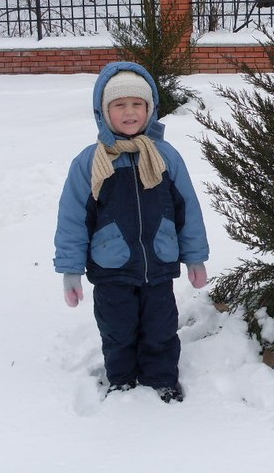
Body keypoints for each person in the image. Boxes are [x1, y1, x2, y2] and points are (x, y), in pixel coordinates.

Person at [53, 61, 209, 402]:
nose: (129, 112)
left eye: (137, 104)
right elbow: (72, 219)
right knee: (117, 330)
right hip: (111, 269)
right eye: (119, 105)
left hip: (159, 263)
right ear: (104, 112)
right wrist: (70, 270)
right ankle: (121, 378)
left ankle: (162, 377)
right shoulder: (91, 162)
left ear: (150, 109)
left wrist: (195, 257)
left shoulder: (165, 157)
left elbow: (188, 210)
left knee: (161, 329)